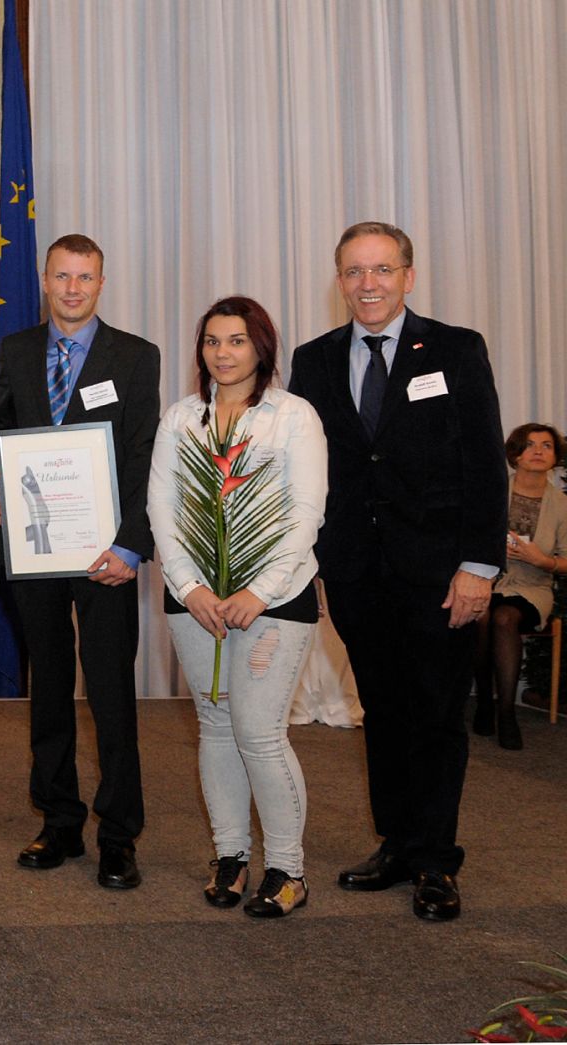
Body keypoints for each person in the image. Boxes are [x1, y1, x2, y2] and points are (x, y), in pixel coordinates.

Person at [288, 220, 506, 922]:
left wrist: (480, 564)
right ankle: (397, 842)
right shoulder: (313, 359)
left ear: (408, 276)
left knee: (437, 714)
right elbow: (305, 467)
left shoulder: (455, 348)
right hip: (355, 570)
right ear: (340, 280)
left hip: (442, 573)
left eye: (382, 269)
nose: (368, 283)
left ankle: (437, 859)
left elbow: (483, 462)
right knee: (380, 709)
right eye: (354, 271)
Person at [0, 234, 160, 889]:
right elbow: (1, 426)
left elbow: (143, 453)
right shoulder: (17, 350)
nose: (71, 288)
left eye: (84, 277)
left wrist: (130, 543)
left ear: (101, 282)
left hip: (105, 553)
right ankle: (59, 819)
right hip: (37, 547)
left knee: (112, 694)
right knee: (50, 690)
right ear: (46, 279)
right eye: (61, 276)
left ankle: (119, 834)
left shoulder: (136, 356)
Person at [147, 297, 327, 918]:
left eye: (236, 341)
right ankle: (230, 856)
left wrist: (258, 591)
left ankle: (289, 870)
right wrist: (191, 587)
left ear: (261, 348)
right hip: (194, 601)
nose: (222, 354)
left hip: (273, 601)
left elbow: (306, 513)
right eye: (211, 341)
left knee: (260, 734)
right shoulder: (181, 420)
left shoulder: (293, 417)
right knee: (217, 727)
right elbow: (162, 509)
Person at [474, 423, 567, 750]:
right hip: (488, 580)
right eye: (529, 445)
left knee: (504, 618)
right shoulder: (495, 491)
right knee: (481, 614)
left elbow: (565, 561)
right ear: (514, 455)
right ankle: (484, 700)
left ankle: (506, 712)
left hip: (533, 588)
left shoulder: (562, 505)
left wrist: (543, 560)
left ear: (555, 456)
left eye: (546, 445)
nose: (539, 451)